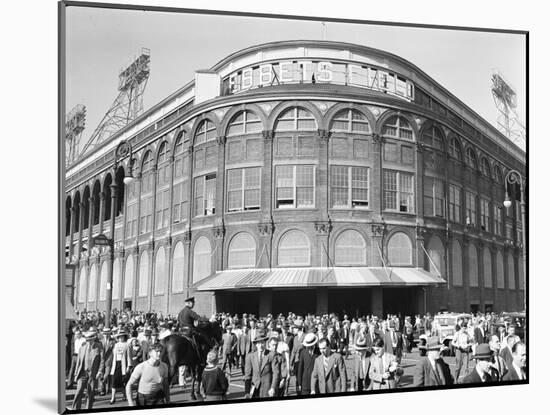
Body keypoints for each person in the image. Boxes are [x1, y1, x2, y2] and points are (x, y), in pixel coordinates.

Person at [71, 328, 105, 410]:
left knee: (90, 393)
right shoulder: (83, 347)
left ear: (93, 339)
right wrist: (76, 373)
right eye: (87, 340)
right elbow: (79, 361)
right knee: (79, 391)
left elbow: (102, 360)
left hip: (92, 373)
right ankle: (75, 409)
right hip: (82, 373)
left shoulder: (99, 346)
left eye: (90, 340)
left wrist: (100, 371)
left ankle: (88, 409)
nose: (88, 341)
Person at [243, 329, 280, 398]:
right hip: (254, 388)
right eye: (258, 343)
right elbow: (247, 375)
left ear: (265, 343)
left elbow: (276, 373)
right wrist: (247, 392)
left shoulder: (271, 355)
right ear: (256, 345)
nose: (261, 345)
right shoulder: (250, 356)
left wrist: (273, 387)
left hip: (267, 388)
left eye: (262, 343)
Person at [109, 329, 130, 404]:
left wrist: (129, 366)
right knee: (114, 381)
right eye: (120, 337)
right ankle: (113, 397)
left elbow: (128, 356)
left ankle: (124, 395)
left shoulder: (127, 345)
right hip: (116, 364)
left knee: (123, 381)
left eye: (122, 337)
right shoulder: (115, 345)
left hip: (123, 364)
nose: (121, 338)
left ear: (124, 337)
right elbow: (113, 355)